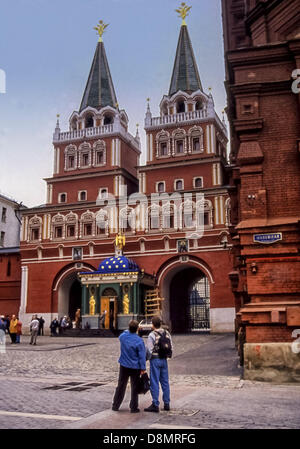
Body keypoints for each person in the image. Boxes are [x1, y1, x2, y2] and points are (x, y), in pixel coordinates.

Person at [112, 320, 146, 413]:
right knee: (134, 387)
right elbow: (142, 356)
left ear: (129, 328)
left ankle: (116, 405)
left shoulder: (123, 337)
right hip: (135, 367)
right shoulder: (139, 340)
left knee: (121, 385)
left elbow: (123, 334)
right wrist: (143, 368)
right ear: (137, 329)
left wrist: (128, 330)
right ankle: (134, 407)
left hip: (124, 365)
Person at [144, 316, 173, 413]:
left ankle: (155, 404)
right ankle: (167, 403)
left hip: (155, 360)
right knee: (165, 382)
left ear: (152, 324)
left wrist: (146, 359)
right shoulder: (167, 333)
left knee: (155, 381)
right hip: (164, 360)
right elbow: (171, 346)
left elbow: (149, 350)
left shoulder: (152, 335)